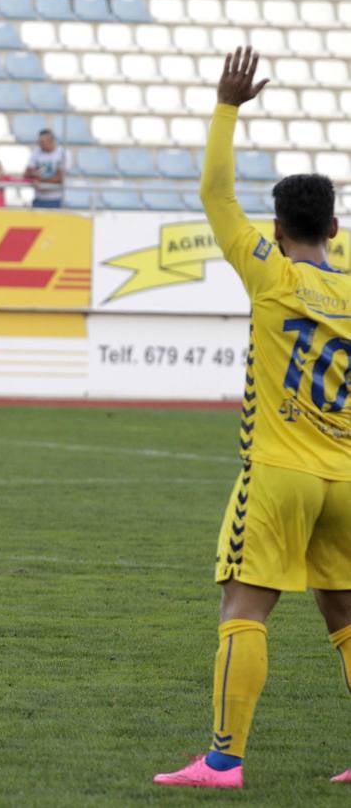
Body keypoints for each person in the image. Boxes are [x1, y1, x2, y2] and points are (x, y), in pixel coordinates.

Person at [154, 47, 351, 791]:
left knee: (245, 606)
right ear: (335, 224)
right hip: (347, 477)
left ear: (277, 223)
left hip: (279, 471)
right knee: (344, 612)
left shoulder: (270, 271)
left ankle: (223, 761)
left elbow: (215, 193)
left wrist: (228, 106)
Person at [25, 129, 68, 208]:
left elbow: (59, 178)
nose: (40, 144)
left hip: (55, 199)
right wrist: (34, 175)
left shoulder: (63, 153)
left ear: (51, 141)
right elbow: (27, 173)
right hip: (38, 198)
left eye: (42, 142)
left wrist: (39, 180)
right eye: (39, 142)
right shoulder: (36, 152)